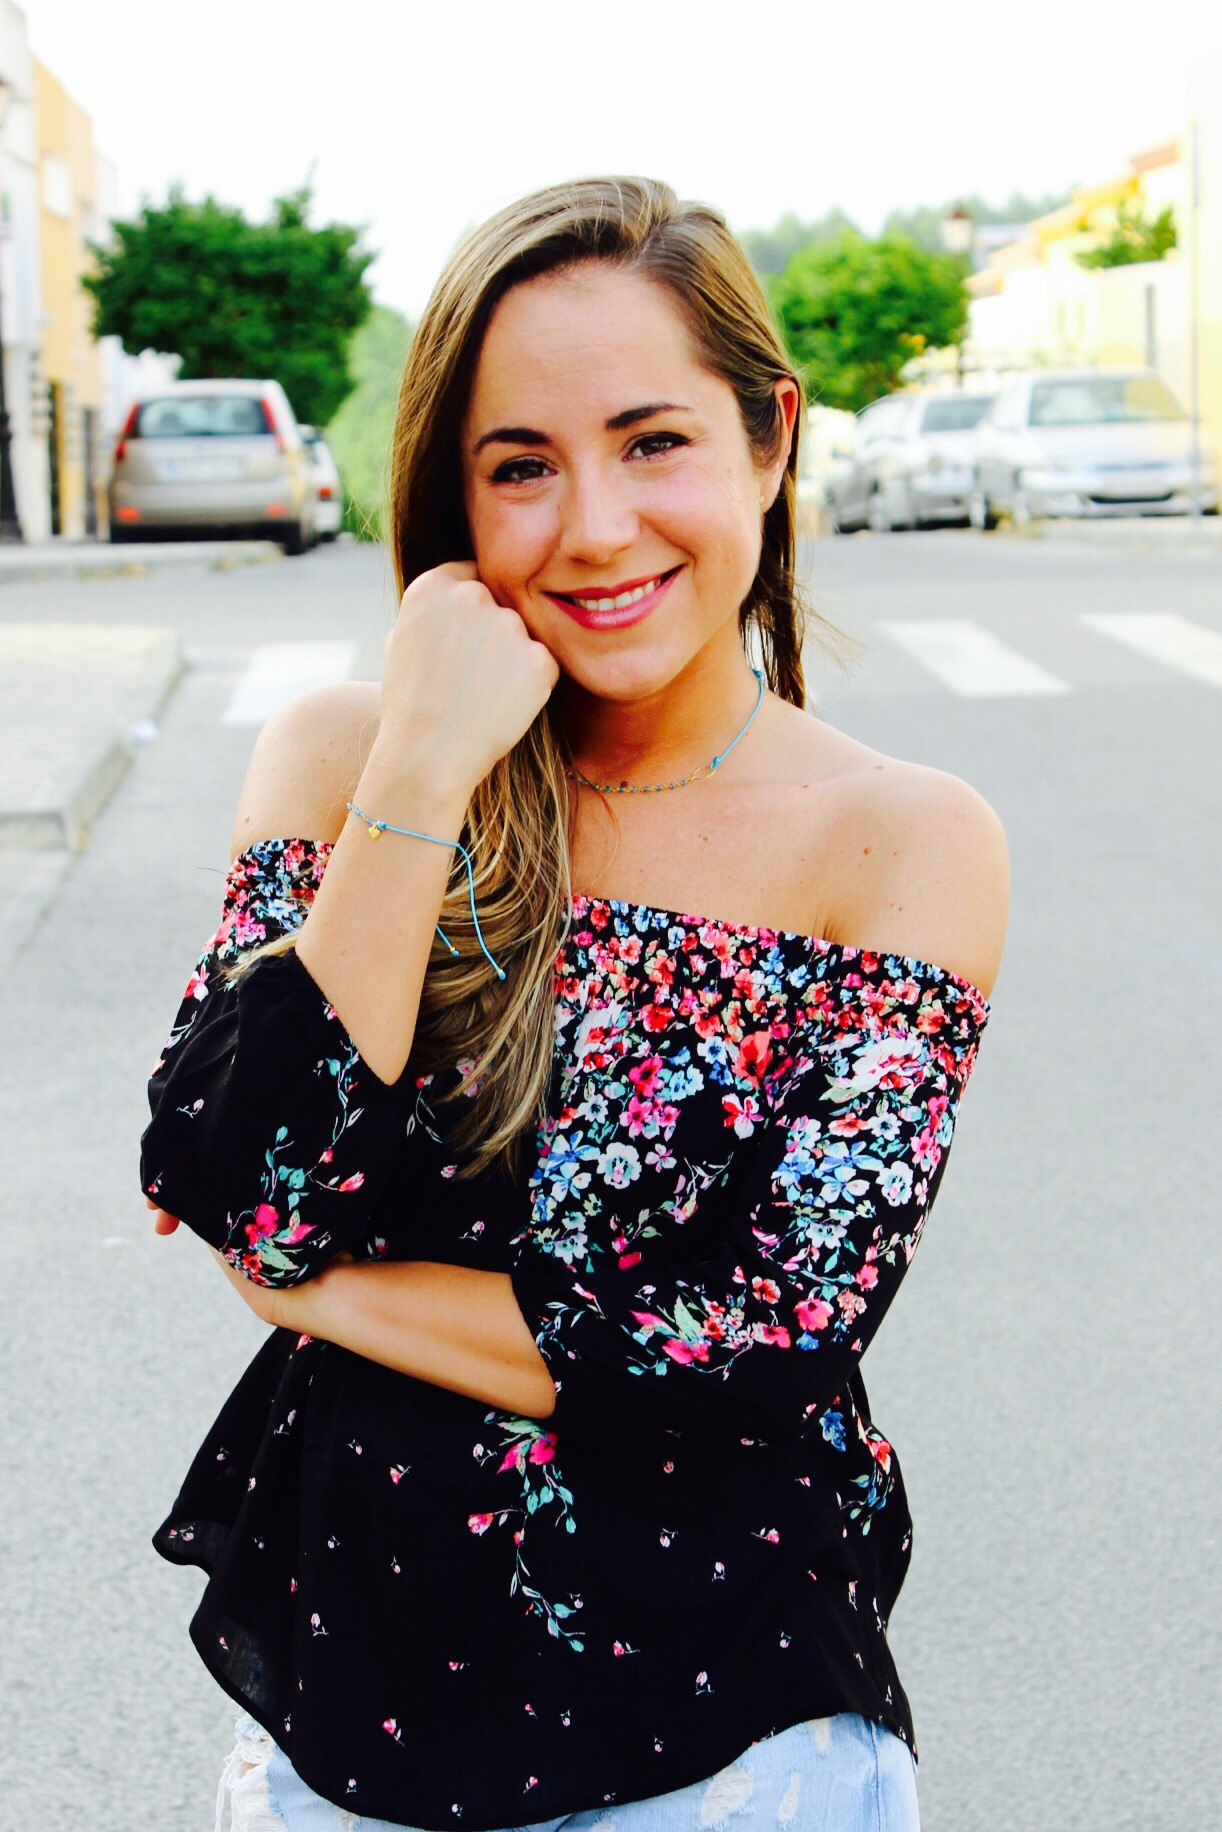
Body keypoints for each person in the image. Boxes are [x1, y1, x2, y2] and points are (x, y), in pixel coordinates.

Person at [142, 176, 1008, 1832]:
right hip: (345, 1740)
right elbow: (241, 1167)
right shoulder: (344, 764)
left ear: (769, 438)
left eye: (652, 441)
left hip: (730, 1748)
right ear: (451, 501)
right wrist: (421, 764)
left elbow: (753, 1347)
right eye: (521, 466)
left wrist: (311, 1289)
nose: (596, 527)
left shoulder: (897, 840)